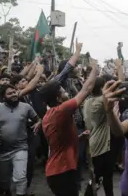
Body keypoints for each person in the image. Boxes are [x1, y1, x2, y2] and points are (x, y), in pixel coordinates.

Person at [41, 58, 98, 196]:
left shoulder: (51, 114)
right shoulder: (61, 110)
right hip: (62, 171)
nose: (66, 92)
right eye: (62, 91)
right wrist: (95, 68)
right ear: (59, 98)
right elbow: (87, 89)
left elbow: (61, 142)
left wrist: (79, 138)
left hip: (60, 170)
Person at [0, 85, 41, 196]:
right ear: (3, 97)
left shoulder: (26, 107)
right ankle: (7, 192)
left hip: (21, 147)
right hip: (2, 150)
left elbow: (37, 119)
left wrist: (38, 124)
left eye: (15, 92)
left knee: (21, 177)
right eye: (10, 93)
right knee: (3, 180)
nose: (14, 95)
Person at [83, 76, 114, 196]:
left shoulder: (88, 101)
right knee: (97, 178)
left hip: (93, 143)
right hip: (100, 145)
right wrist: (118, 66)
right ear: (102, 88)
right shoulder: (101, 102)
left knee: (105, 176)